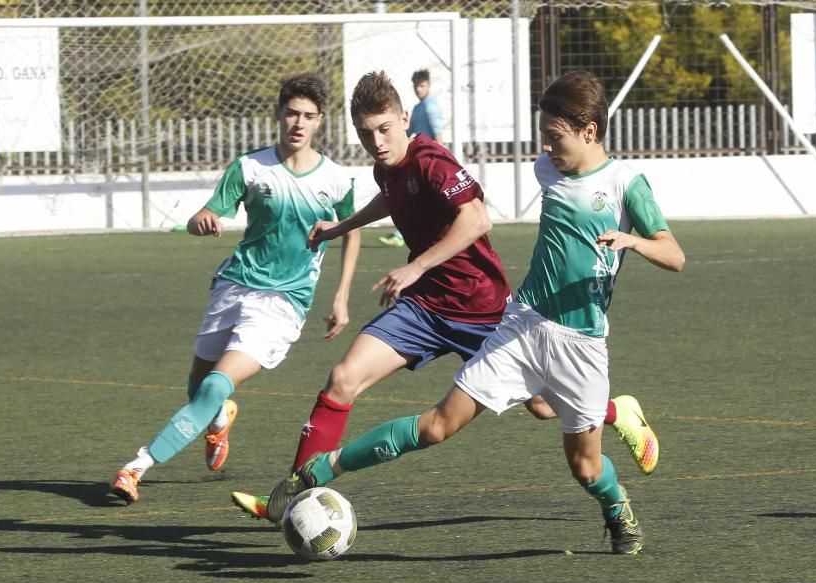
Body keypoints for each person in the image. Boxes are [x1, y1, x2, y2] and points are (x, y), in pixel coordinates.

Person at [257, 71, 685, 555]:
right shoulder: (550, 171)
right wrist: (344, 226)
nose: (545, 149)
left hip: (581, 344)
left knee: (586, 468)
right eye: (543, 136)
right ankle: (324, 468)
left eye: (553, 137)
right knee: (438, 424)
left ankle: (616, 507)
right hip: (520, 327)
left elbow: (674, 255)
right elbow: (407, 194)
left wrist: (633, 241)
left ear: (589, 131)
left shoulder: (627, 183)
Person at [108, 73, 361, 504]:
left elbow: (351, 231)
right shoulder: (249, 167)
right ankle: (219, 420)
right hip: (233, 285)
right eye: (291, 113)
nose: (298, 123)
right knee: (200, 383)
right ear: (278, 115)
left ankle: (137, 466)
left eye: (308, 116)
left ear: (320, 122)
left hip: (283, 303)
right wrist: (201, 222)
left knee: (213, 386)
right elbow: (201, 216)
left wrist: (341, 296)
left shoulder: (336, 180)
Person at [379, 69, 443, 248]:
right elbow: (408, 132)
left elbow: (438, 136)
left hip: (430, 161)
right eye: (416, 86)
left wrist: (441, 159)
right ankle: (402, 234)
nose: (419, 90)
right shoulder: (417, 108)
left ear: (429, 85)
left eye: (422, 86)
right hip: (418, 160)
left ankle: (404, 234)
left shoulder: (431, 107)